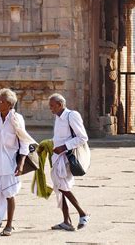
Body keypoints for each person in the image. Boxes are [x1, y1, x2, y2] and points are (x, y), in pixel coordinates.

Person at [0, 88, 36, 236]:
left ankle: (9, 225)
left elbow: (24, 142)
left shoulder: (17, 119)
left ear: (10, 104)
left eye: (2, 100)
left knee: (8, 194)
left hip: (9, 162)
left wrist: (21, 163)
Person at [48, 93, 90, 231]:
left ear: (60, 104)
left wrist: (64, 147)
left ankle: (83, 213)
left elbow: (82, 137)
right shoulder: (58, 118)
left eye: (52, 106)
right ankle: (66, 221)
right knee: (60, 189)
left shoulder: (71, 115)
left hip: (67, 156)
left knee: (62, 186)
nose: (51, 109)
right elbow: (59, 137)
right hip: (57, 157)